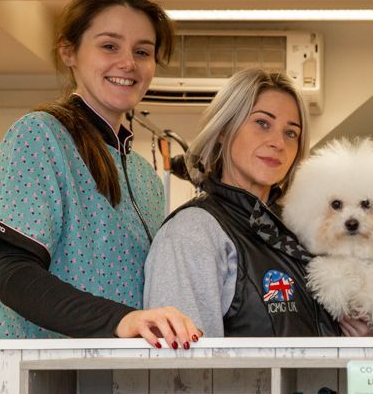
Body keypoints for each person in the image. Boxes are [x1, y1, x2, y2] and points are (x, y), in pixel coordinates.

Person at [0, 0, 199, 349]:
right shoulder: (40, 136)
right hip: (41, 382)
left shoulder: (143, 175)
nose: (128, 63)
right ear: (68, 51)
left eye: (142, 51)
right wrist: (121, 320)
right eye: (109, 46)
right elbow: (14, 276)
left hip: (114, 382)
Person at [143, 68, 344, 337]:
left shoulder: (299, 229)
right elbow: (184, 371)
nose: (278, 143)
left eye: (291, 133)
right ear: (225, 128)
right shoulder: (192, 233)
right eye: (262, 123)